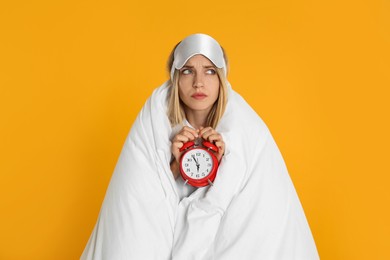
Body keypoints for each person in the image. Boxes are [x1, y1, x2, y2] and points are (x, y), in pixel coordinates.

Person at [81, 33, 319, 260]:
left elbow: (245, 204)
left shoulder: (245, 129)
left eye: (209, 72)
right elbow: (139, 203)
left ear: (221, 78)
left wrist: (223, 166)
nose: (198, 83)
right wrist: (172, 169)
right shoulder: (153, 122)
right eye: (187, 71)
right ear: (175, 77)